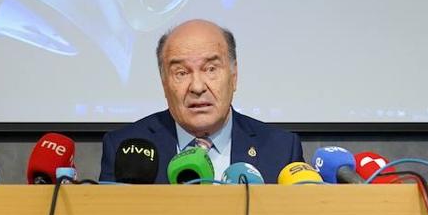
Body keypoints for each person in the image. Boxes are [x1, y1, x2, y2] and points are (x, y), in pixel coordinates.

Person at [99, 19, 303, 183]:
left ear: (234, 76)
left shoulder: (281, 150)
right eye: (181, 72)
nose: (197, 87)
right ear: (164, 83)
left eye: (211, 69)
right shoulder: (123, 149)